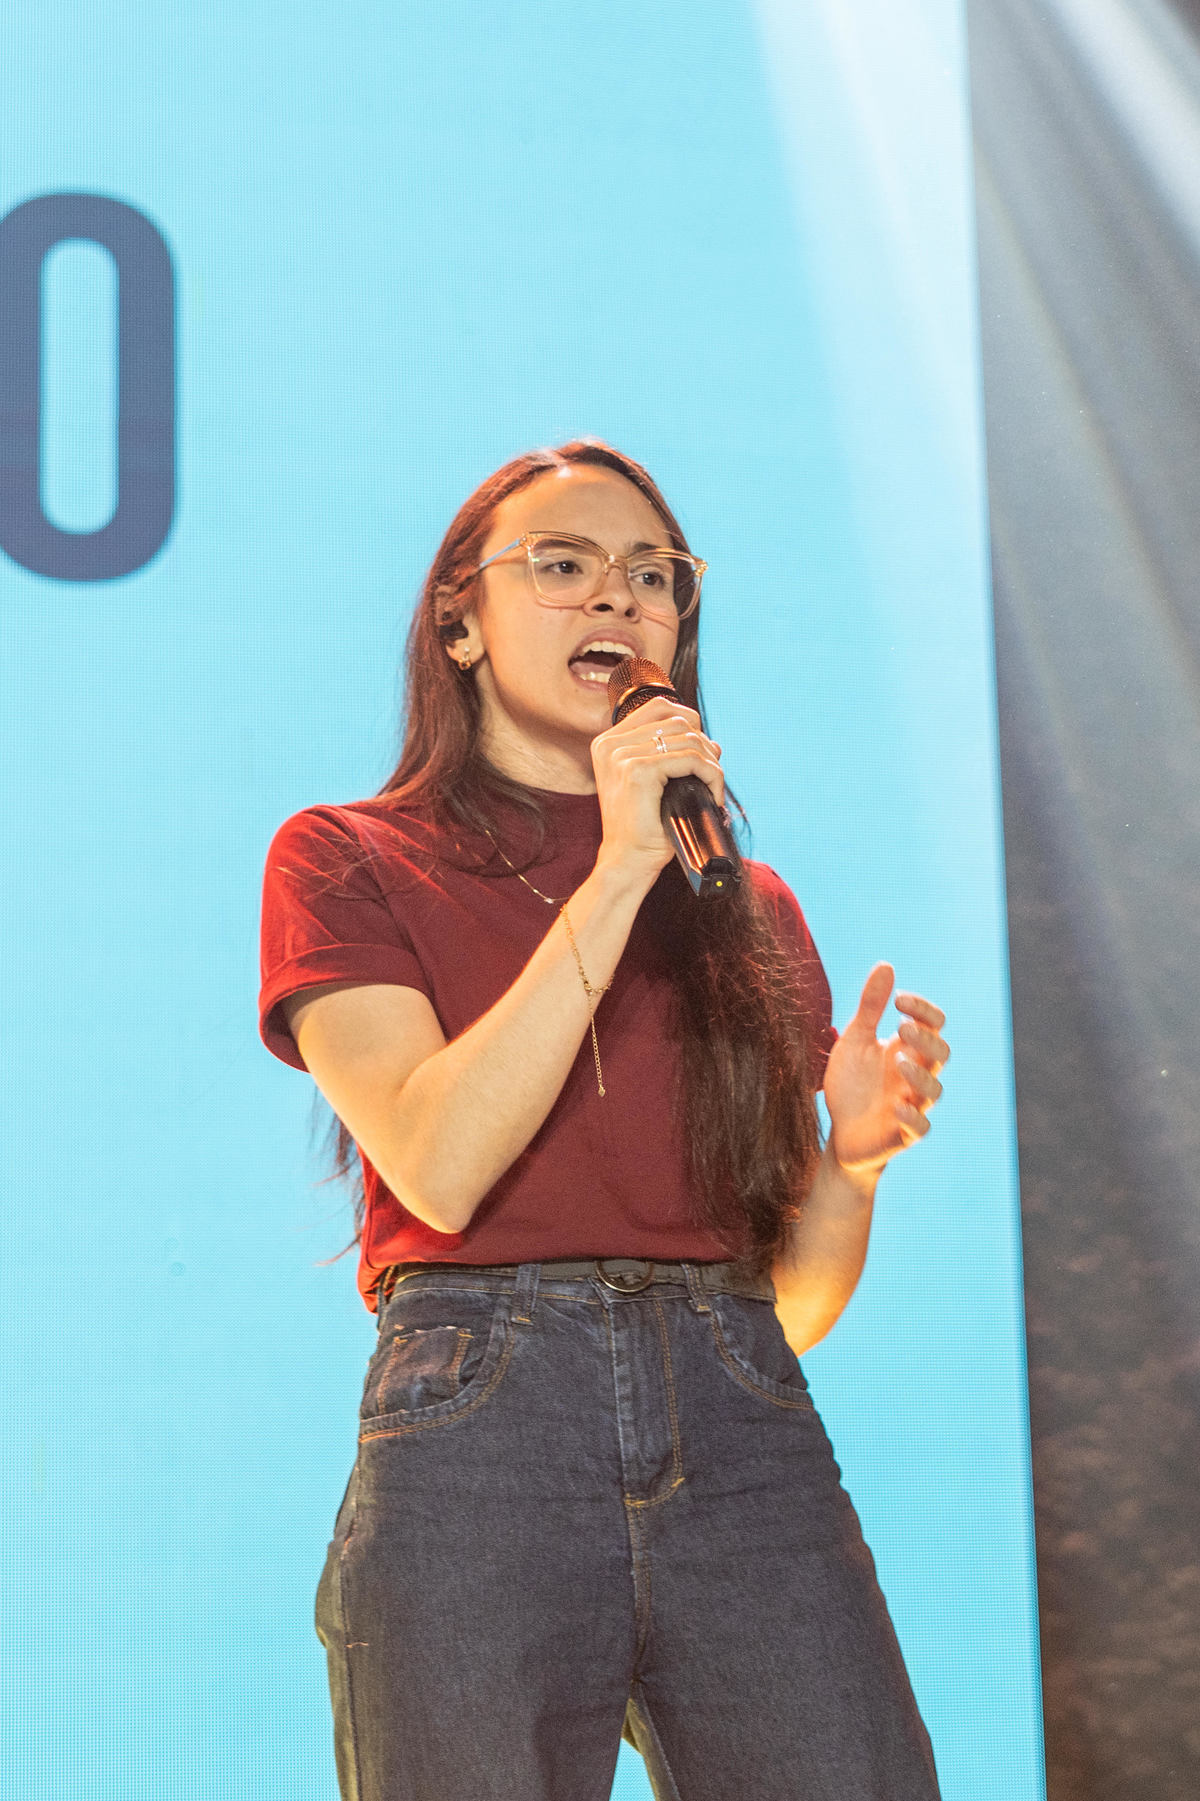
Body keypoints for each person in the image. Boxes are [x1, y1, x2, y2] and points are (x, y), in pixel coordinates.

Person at [258, 439, 949, 1801]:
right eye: (563, 565)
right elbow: (438, 1164)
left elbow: (789, 1307)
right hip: (481, 1433)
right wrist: (621, 863)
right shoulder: (346, 857)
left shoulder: (745, 906)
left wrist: (856, 1163)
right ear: (460, 622)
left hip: (743, 1425)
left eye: (653, 575)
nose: (618, 599)